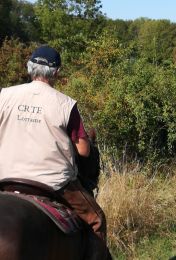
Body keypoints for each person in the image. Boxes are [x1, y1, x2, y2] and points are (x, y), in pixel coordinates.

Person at [0, 46, 110, 259]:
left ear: (29, 68)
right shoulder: (65, 104)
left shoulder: (4, 96)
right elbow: (84, 150)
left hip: (5, 176)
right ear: (57, 72)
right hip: (53, 183)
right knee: (96, 218)